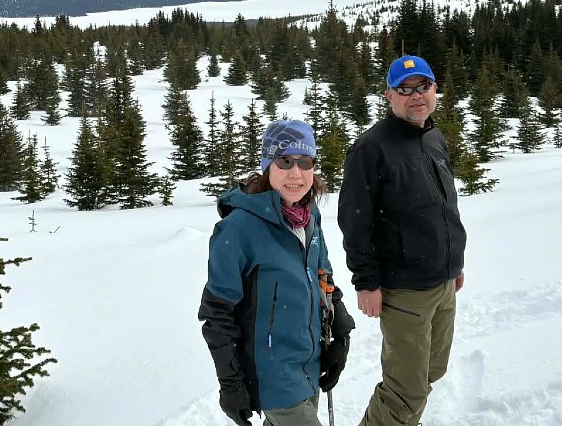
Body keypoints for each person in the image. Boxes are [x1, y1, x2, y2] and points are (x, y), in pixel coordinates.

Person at [338, 55, 467, 426]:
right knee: (404, 389)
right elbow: (354, 221)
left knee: (430, 371)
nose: (415, 96)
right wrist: (366, 283)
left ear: (434, 89)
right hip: (405, 289)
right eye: (404, 89)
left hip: (444, 282)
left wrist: (454, 264)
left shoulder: (434, 137)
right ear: (389, 95)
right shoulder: (370, 148)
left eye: (422, 86)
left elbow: (444, 207)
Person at [200, 119, 356, 426]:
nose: (296, 173)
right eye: (285, 161)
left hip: (309, 364)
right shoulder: (238, 229)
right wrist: (230, 383)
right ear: (267, 166)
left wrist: (340, 334)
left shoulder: (310, 218)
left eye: (305, 162)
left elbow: (323, 278)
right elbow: (217, 313)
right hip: (273, 375)